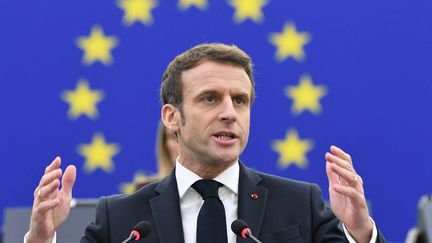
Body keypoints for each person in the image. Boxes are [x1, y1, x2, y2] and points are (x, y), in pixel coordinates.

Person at [25, 43, 386, 243]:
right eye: (210, 98)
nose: (230, 113)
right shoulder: (121, 220)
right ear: (172, 117)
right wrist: (40, 241)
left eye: (240, 100)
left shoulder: (300, 206)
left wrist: (360, 231)